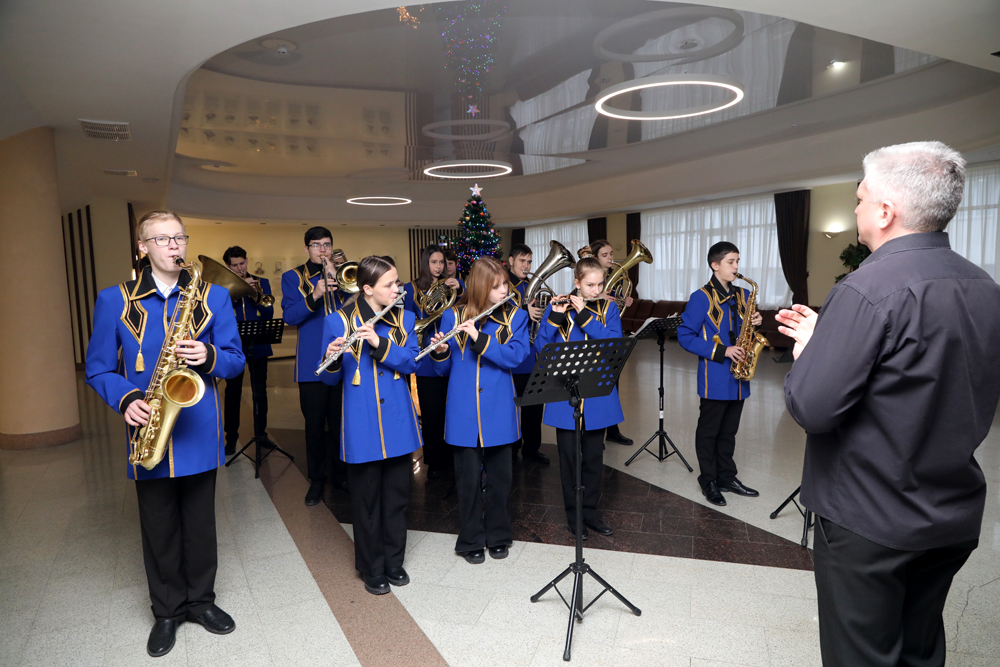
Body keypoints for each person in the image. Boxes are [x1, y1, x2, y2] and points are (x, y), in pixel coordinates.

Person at [776, 141, 1000, 667]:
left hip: (871, 518)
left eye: (859, 199)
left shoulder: (866, 287)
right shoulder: (984, 285)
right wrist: (832, 341)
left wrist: (812, 352)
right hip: (949, 510)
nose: (855, 210)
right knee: (919, 650)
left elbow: (813, 408)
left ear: (884, 211)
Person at [85, 210, 244, 658]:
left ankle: (202, 602)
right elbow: (98, 367)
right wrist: (125, 399)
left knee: (200, 523)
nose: (174, 246)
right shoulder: (113, 300)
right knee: (158, 527)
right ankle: (167, 611)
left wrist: (209, 355)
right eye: (162, 239)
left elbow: (235, 361)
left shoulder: (213, 296)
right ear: (142, 248)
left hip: (199, 428)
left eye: (179, 237)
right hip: (147, 427)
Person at [319, 256, 421, 595]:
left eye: (397, 282)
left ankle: (393, 561)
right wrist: (331, 357)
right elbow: (329, 380)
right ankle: (371, 567)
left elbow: (412, 362)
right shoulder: (337, 321)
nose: (397, 289)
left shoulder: (405, 318)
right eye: (389, 284)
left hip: (398, 422)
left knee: (397, 497)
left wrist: (380, 344)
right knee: (365, 502)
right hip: (361, 424)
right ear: (367, 288)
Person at [429, 257, 529, 562]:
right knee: (467, 481)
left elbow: (516, 357)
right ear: (480, 286)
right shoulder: (452, 315)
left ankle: (499, 534)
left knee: (501, 480)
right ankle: (470, 538)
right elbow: (442, 371)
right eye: (496, 286)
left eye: (505, 284)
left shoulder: (517, 316)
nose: (503, 291)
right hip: (463, 411)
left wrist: (478, 338)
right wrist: (440, 352)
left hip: (499, 408)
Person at [535, 257, 621, 538]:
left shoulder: (609, 308)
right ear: (577, 283)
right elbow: (541, 348)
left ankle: (590, 512)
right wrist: (554, 318)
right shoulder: (558, 306)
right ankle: (574, 516)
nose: (596, 290)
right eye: (590, 285)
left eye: (600, 284)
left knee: (594, 459)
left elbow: (613, 345)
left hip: (597, 397)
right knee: (570, 460)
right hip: (564, 396)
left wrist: (585, 316)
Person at [676, 241, 761, 507]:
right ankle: (708, 480)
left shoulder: (744, 295)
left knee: (729, 432)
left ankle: (727, 477)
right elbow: (684, 336)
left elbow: (747, 330)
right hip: (714, 376)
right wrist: (723, 351)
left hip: (739, 377)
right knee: (709, 431)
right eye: (730, 262)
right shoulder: (700, 297)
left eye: (737, 261)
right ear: (715, 265)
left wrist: (757, 323)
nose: (736, 267)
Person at [281, 227, 349, 505]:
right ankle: (317, 480)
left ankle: (340, 475)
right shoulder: (293, 277)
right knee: (314, 425)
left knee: (340, 423)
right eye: (316, 245)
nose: (323, 250)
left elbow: (356, 309)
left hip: (343, 359)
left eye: (327, 244)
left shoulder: (344, 273)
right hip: (312, 363)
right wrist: (316, 294)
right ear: (306, 248)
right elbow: (289, 316)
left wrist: (338, 279)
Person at [403, 245, 462, 479]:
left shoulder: (453, 285)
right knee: (430, 414)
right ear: (425, 263)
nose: (439, 267)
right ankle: (434, 461)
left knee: (451, 411)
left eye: (441, 262)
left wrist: (461, 288)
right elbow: (406, 321)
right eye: (434, 262)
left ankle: (452, 457)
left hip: (450, 354)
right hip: (426, 357)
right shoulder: (411, 288)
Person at [222, 245, 276, 455]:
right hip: (233, 346)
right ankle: (231, 438)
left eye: (242, 263)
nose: (240, 268)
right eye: (234, 265)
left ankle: (261, 434)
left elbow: (269, 314)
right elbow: (219, 314)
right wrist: (235, 292)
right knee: (233, 393)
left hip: (258, 344)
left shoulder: (262, 282)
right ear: (228, 266)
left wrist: (255, 296)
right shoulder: (222, 287)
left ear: (247, 261)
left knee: (260, 392)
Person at [506, 243, 548, 464]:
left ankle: (532, 448)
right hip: (512, 355)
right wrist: (524, 310)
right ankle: (511, 448)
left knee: (534, 405)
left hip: (533, 354)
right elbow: (499, 313)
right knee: (512, 405)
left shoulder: (532, 285)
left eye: (530, 261)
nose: (527, 265)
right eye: (522, 261)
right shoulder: (502, 284)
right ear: (511, 261)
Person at [589, 240, 634, 446]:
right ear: (595, 258)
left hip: (611, 338)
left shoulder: (612, 279)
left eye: (610, 254)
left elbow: (615, 305)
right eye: (605, 255)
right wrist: (598, 296)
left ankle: (612, 430)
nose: (610, 258)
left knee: (613, 386)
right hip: (594, 340)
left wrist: (624, 300)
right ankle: (594, 433)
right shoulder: (590, 281)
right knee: (597, 388)